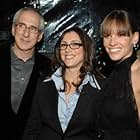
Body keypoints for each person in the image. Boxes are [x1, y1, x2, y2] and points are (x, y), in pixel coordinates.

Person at [22, 26, 105, 140]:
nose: (68, 49)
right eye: (64, 45)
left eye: (75, 44)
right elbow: (32, 127)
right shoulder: (44, 83)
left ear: (86, 49)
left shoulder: (101, 87)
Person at [0, 7, 51, 140]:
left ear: (40, 36)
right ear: (13, 29)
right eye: (21, 26)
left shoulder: (49, 69)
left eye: (33, 29)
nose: (26, 34)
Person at [97, 9, 140, 139]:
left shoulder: (137, 72)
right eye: (107, 35)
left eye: (120, 35)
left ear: (135, 38)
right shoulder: (113, 73)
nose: (112, 42)